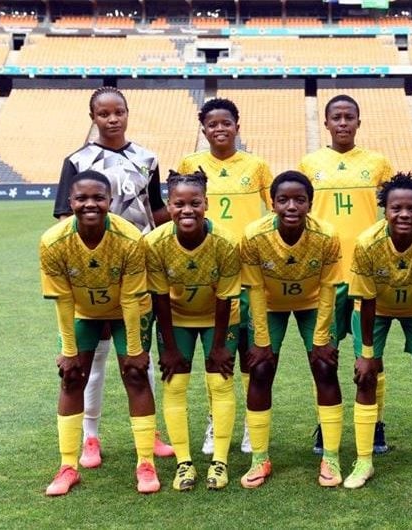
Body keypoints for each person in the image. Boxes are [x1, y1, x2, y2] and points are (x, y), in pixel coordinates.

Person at [53, 86, 173, 468]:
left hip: (139, 270)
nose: (112, 118)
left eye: (118, 111)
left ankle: (149, 433)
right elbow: (63, 217)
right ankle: (90, 436)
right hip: (94, 274)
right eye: (103, 113)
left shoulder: (147, 158)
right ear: (93, 118)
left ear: (127, 112)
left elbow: (156, 211)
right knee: (95, 357)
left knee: (140, 355)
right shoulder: (77, 159)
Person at [41, 170, 161, 496]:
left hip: (128, 312)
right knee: (71, 376)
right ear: (70, 202)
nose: (90, 204)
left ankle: (145, 462)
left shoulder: (130, 238)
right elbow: (64, 300)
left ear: (110, 201)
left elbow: (132, 297)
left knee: (135, 374)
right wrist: (68, 350)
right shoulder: (53, 241)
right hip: (83, 312)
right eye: (82, 198)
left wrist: (135, 349)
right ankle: (68, 465)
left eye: (98, 198)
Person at [343, 173, 412, 489]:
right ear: (385, 210)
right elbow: (366, 299)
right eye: (396, 208)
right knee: (365, 376)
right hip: (374, 311)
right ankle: (364, 461)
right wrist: (366, 356)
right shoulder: (367, 243)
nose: (404, 214)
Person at [177, 97, 273, 455]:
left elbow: (275, 208)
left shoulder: (257, 165)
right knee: (217, 350)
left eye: (226, 123)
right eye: (212, 124)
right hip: (207, 269)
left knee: (249, 349)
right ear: (203, 129)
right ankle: (215, 422)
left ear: (237, 125)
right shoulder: (191, 163)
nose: (220, 129)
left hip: (247, 268)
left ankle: (251, 422)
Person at [299, 94, 393, 455]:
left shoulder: (377, 164)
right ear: (325, 123)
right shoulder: (310, 164)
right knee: (324, 352)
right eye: (335, 117)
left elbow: (395, 214)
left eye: (348, 117)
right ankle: (327, 425)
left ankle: (377, 423)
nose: (342, 123)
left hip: (370, 275)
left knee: (372, 353)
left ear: (358, 121)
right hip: (328, 276)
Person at [239, 171, 343, 489]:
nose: (291, 206)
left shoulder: (327, 235)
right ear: (272, 204)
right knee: (260, 369)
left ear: (310, 203)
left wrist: (322, 337)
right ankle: (259, 458)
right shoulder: (254, 236)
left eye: (300, 199)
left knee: (325, 366)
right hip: (269, 304)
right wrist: (260, 340)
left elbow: (328, 288)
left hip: (314, 302)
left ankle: (331, 456)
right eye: (283, 199)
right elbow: (254, 289)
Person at [146, 169, 240, 491]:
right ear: (169, 206)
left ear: (206, 204)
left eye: (195, 203)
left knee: (221, 380)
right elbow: (159, 298)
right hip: (178, 318)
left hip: (221, 318)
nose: (187, 210)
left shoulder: (226, 242)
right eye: (179, 203)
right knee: (175, 384)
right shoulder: (155, 243)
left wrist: (218, 347)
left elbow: (226, 297)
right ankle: (184, 463)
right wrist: (169, 348)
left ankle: (220, 462)